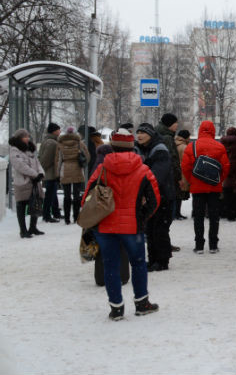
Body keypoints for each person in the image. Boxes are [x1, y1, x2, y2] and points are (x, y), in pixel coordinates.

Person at [84, 129, 160, 320]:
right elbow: (155, 199)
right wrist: (142, 217)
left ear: (112, 146)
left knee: (111, 265)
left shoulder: (102, 169)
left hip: (105, 227)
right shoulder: (143, 170)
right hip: (132, 227)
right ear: (131, 146)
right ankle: (142, 303)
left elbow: (87, 198)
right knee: (139, 264)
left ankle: (116, 308)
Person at [181, 120, 230, 254]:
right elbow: (225, 167)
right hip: (214, 187)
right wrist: (218, 180)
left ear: (200, 130)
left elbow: (185, 166)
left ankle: (199, 245)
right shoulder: (219, 147)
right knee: (214, 216)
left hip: (197, 187)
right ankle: (213, 245)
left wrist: (192, 180)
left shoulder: (192, 146)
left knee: (198, 216)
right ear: (213, 131)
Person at [135, 123, 175, 272]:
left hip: (163, 195)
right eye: (138, 132)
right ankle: (152, 259)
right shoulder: (140, 149)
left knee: (160, 229)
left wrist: (144, 189)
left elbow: (157, 176)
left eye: (142, 132)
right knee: (150, 229)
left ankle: (162, 260)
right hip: (149, 195)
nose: (139, 135)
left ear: (150, 134)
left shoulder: (160, 150)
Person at [9, 129, 45, 238]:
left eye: (28, 136)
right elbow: (20, 166)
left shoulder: (30, 150)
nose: (27, 138)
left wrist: (40, 173)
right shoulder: (15, 150)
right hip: (23, 182)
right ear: (19, 138)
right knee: (21, 205)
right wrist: (35, 174)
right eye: (25, 136)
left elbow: (37, 163)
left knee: (37, 203)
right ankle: (23, 230)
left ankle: (33, 227)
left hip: (35, 182)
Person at [56, 126, 89, 225]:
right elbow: (87, 157)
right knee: (76, 195)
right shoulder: (80, 144)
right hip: (77, 170)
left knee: (66, 196)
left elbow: (58, 160)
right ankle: (76, 217)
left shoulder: (60, 144)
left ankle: (66, 218)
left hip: (65, 169)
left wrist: (57, 173)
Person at [156, 113, 182, 221]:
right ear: (169, 124)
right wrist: (178, 177)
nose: (177, 125)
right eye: (175, 123)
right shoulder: (167, 138)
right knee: (167, 212)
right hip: (168, 177)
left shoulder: (157, 134)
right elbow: (173, 159)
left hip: (158, 175)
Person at [38, 122, 62, 223]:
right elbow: (46, 159)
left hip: (49, 172)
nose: (60, 132)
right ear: (54, 131)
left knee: (52, 194)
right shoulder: (52, 143)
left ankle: (55, 212)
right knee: (49, 194)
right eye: (58, 130)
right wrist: (43, 169)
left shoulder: (48, 141)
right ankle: (46, 215)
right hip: (50, 173)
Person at [174, 129, 191, 219]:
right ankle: (177, 213)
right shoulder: (184, 147)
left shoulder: (174, 144)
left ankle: (176, 213)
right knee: (179, 194)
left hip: (175, 171)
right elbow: (186, 162)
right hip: (182, 172)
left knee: (177, 193)